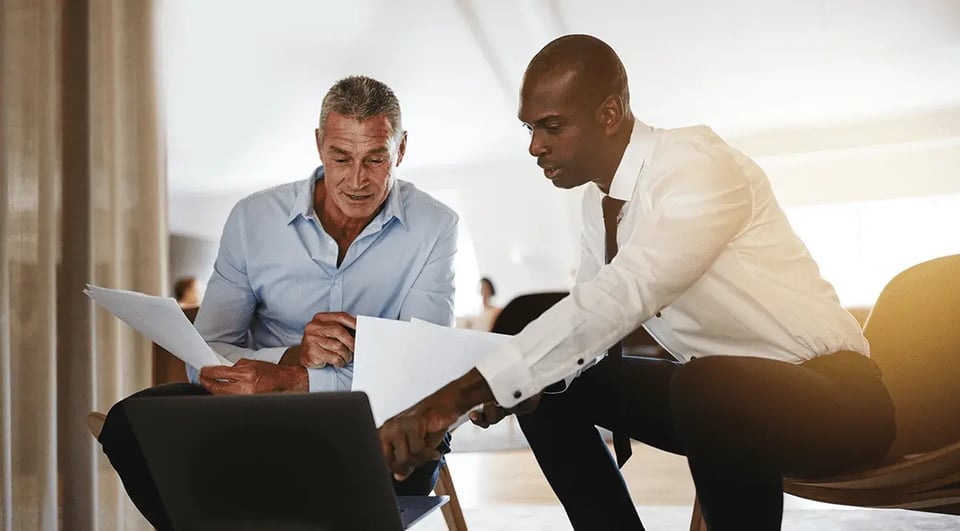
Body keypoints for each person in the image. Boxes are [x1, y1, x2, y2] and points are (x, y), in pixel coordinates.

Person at [377, 35, 895, 531]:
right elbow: (581, 340)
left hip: (835, 399)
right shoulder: (596, 206)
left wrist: (452, 397)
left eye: (552, 126)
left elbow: (623, 296)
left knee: (704, 385)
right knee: (546, 380)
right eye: (529, 128)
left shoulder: (696, 164)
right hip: (714, 400)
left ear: (609, 113)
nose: (535, 146)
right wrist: (481, 401)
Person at [97, 75, 458, 531]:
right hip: (253, 410)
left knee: (420, 434)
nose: (357, 179)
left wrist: (295, 381)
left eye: (376, 158)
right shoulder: (252, 219)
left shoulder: (436, 227)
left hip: (371, 415)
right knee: (130, 423)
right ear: (319, 144)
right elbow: (206, 354)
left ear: (401, 149)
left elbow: (426, 369)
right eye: (341, 158)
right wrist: (286, 360)